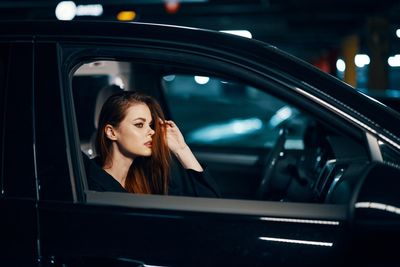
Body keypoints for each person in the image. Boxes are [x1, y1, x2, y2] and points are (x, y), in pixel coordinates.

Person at [83, 90, 220, 197]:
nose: (152, 132)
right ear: (111, 132)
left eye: (150, 125)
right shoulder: (89, 183)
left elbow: (210, 207)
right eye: (139, 124)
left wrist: (181, 149)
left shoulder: (147, 180)